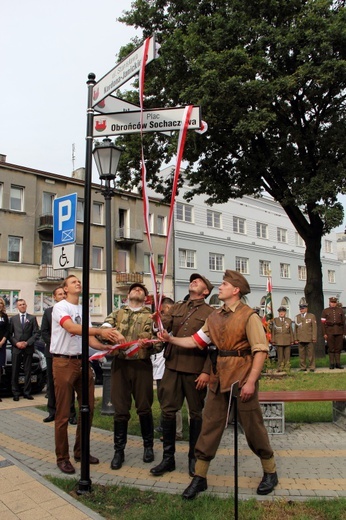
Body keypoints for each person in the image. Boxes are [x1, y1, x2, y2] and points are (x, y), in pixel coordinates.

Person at [158, 270, 278, 499]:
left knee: (253, 427)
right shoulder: (214, 317)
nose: (219, 287)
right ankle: (200, 478)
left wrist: (251, 382)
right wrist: (171, 339)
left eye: (224, 284)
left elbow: (260, 351)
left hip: (241, 377)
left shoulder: (248, 316)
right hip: (218, 377)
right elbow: (196, 341)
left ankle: (270, 471)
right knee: (209, 426)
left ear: (236, 290)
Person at [50, 275, 118, 475]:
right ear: (65, 288)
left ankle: (81, 451)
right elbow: (70, 327)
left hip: (82, 362)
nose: (78, 283)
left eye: (79, 281)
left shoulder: (83, 310)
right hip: (63, 362)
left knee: (87, 409)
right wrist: (100, 331)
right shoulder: (60, 307)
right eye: (73, 282)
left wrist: (107, 347)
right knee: (63, 413)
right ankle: (62, 457)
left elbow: (88, 340)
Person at [150, 273, 214, 478]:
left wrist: (206, 371)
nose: (193, 281)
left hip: (195, 371)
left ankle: (194, 458)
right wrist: (156, 322)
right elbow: (163, 327)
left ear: (206, 291)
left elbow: (213, 348)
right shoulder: (177, 307)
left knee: (196, 413)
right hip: (173, 368)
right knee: (168, 411)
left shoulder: (211, 313)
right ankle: (168, 459)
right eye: (192, 280)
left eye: (198, 281)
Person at [101, 282, 160, 471]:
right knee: (120, 410)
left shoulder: (151, 317)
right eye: (134, 289)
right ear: (127, 295)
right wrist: (111, 334)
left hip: (141, 366)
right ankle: (119, 451)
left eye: (141, 290)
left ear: (145, 297)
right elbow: (104, 330)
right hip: (121, 366)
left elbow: (160, 342)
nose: (137, 290)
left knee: (144, 407)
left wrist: (150, 345)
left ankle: (148, 447)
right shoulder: (117, 314)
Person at [41, 285, 77, 423]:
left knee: (69, 384)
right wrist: (55, 344)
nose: (62, 296)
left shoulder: (71, 310)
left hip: (69, 353)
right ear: (54, 297)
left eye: (64, 293)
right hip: (53, 353)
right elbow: (43, 332)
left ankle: (71, 414)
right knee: (52, 383)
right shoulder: (48, 312)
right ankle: (52, 411)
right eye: (59, 294)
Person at [151, 297, 183, 440]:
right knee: (164, 400)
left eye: (163, 312)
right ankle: (164, 426)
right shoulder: (163, 325)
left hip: (169, 369)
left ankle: (176, 431)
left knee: (172, 401)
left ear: (169, 309)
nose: (163, 316)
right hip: (159, 370)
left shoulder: (175, 325)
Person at [9, 299, 39, 401]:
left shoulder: (32, 318)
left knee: (28, 371)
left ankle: (27, 392)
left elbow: (36, 333)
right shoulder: (13, 319)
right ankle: (15, 393)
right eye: (20, 305)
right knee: (15, 371)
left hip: (28, 348)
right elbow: (9, 334)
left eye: (23, 304)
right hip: (16, 348)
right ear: (17, 307)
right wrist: (16, 343)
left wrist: (27, 343)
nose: (22, 306)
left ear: (26, 305)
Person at [321, 297, 345, 369]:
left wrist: (344, 333)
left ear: (336, 303)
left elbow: (344, 322)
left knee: (338, 348)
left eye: (334, 302)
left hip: (339, 331)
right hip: (329, 331)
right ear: (329, 302)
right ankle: (331, 364)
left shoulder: (340, 310)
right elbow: (322, 323)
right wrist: (324, 333)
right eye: (332, 302)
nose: (333, 304)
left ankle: (338, 363)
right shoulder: (325, 311)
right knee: (331, 348)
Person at [294, 303, 317, 372]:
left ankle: (312, 367)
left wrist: (314, 337)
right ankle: (303, 367)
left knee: (311, 353)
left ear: (306, 309)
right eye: (300, 309)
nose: (301, 310)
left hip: (309, 337)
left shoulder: (311, 316)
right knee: (301, 354)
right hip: (300, 338)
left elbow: (314, 327)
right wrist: (295, 338)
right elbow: (295, 329)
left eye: (303, 308)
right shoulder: (297, 317)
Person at [271, 306, 294, 371]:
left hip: (287, 339)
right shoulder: (275, 320)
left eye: (283, 312)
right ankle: (280, 367)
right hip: (278, 340)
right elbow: (273, 331)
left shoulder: (288, 320)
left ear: (285, 313)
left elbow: (291, 331)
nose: (281, 313)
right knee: (280, 356)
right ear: (278, 313)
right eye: (280, 312)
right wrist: (273, 340)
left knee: (287, 355)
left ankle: (287, 367)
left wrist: (292, 340)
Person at [0, 298, 10, 402]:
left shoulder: (5, 317)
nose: (0, 305)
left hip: (1, 345)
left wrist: (2, 341)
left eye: (1, 303)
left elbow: (7, 330)